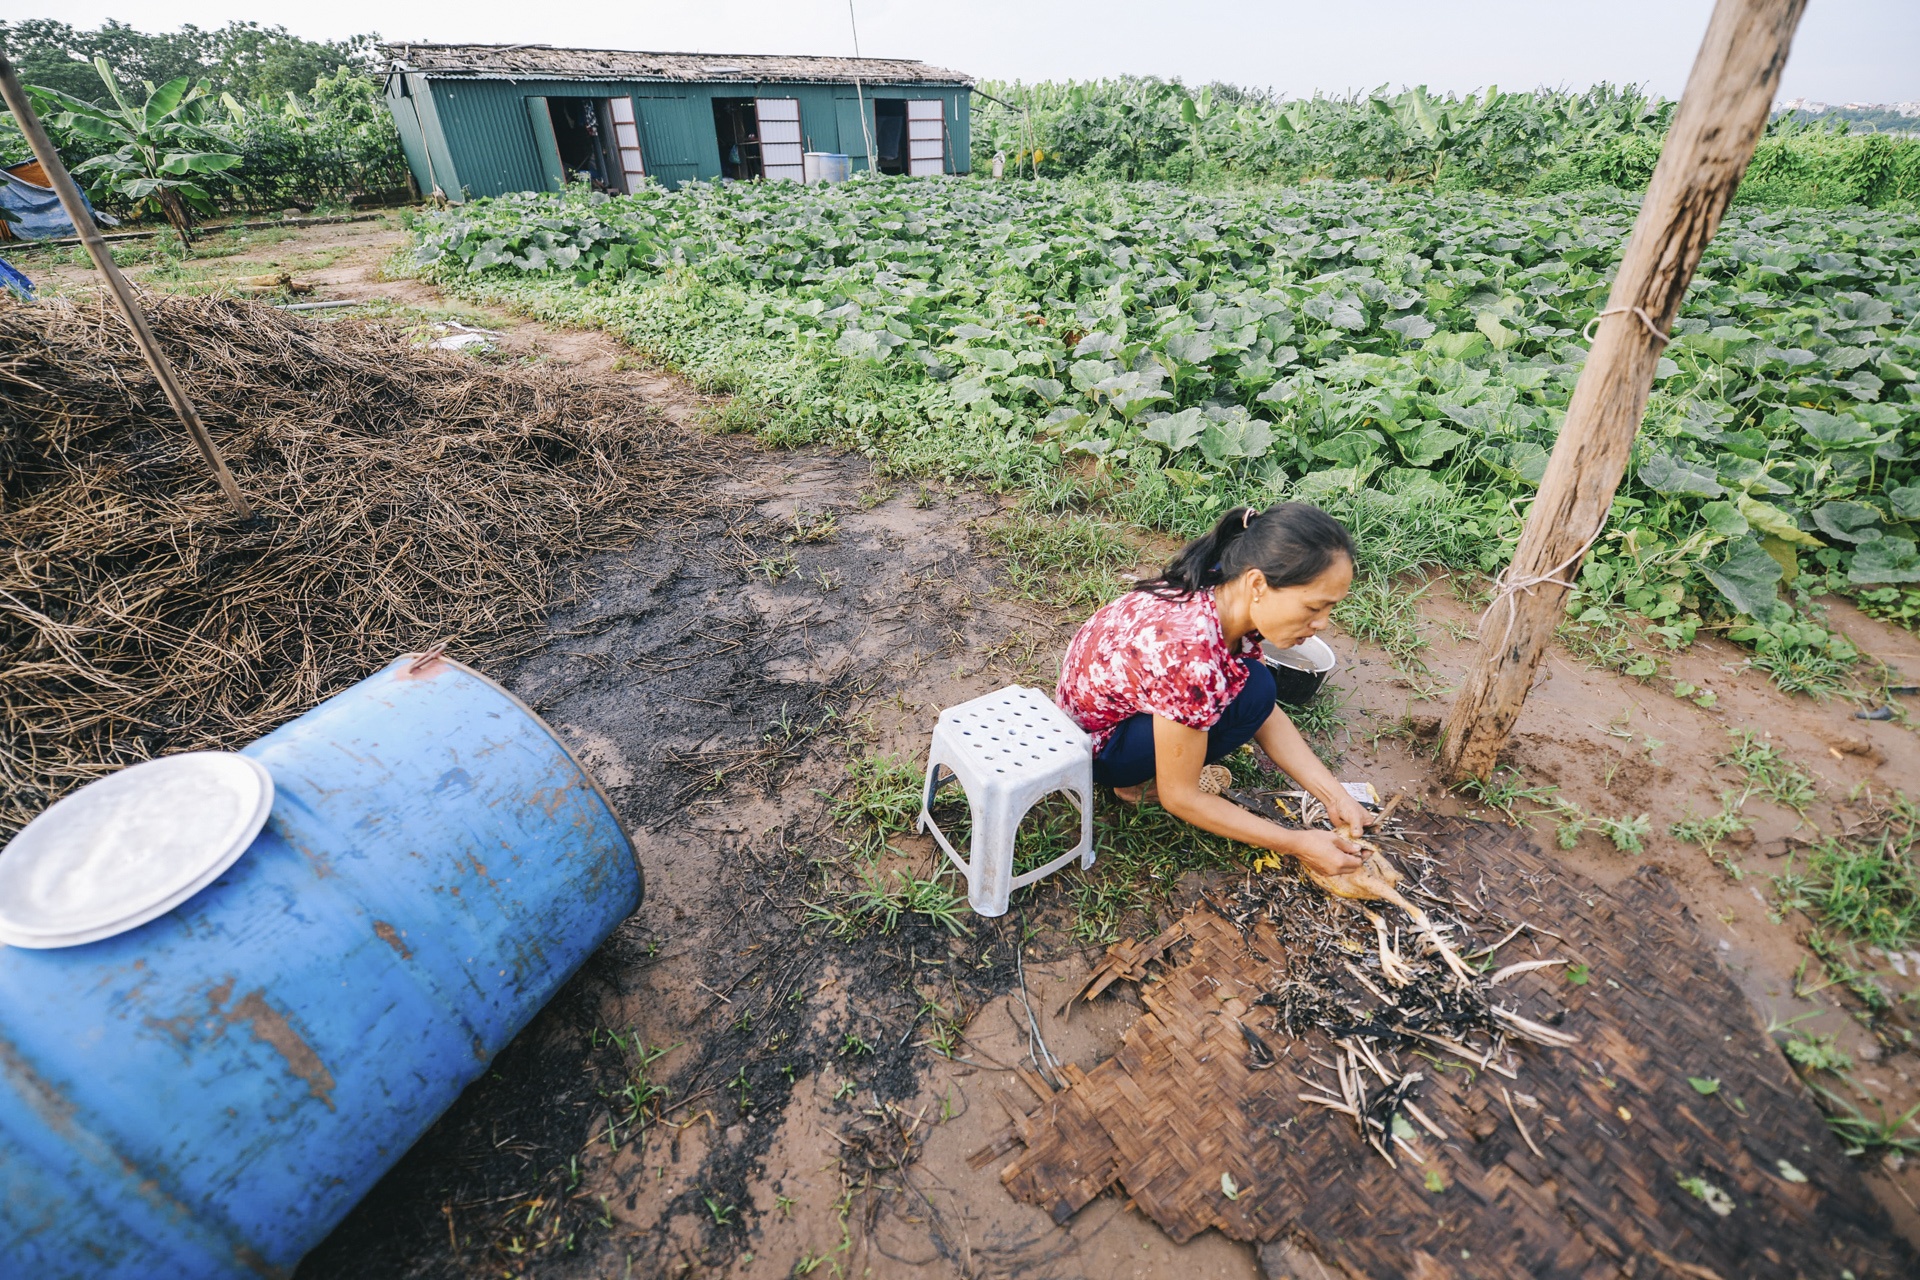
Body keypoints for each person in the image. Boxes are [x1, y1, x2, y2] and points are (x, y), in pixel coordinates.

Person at [1055, 502, 1370, 878]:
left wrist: (1335, 795)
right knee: (1254, 688)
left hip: (1104, 714)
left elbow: (1264, 714)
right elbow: (1181, 798)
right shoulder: (1191, 654)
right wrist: (1298, 842)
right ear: (1258, 584)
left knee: (1256, 687)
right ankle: (1131, 784)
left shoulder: (1221, 584)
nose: (1322, 623)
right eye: (1314, 607)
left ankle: (1150, 763)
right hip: (1097, 749)